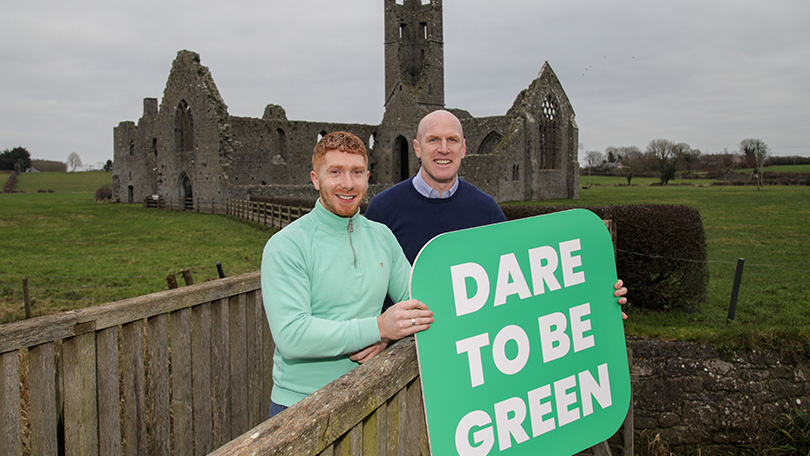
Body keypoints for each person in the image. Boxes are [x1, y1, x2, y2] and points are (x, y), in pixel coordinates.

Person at [366, 109, 628, 310]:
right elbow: (364, 286)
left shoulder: (486, 210)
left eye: (452, 140)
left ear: (464, 148)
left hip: (471, 348)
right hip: (404, 355)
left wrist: (598, 298)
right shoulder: (384, 209)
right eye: (433, 139)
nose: (443, 149)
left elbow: (517, 283)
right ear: (417, 148)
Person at [261, 131, 434, 418]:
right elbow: (292, 336)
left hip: (368, 395)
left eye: (356, 172)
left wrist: (388, 337)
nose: (348, 183)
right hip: (302, 406)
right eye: (335, 172)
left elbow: (419, 303)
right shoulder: (286, 245)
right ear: (316, 179)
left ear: (368, 177)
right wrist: (378, 328)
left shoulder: (382, 236)